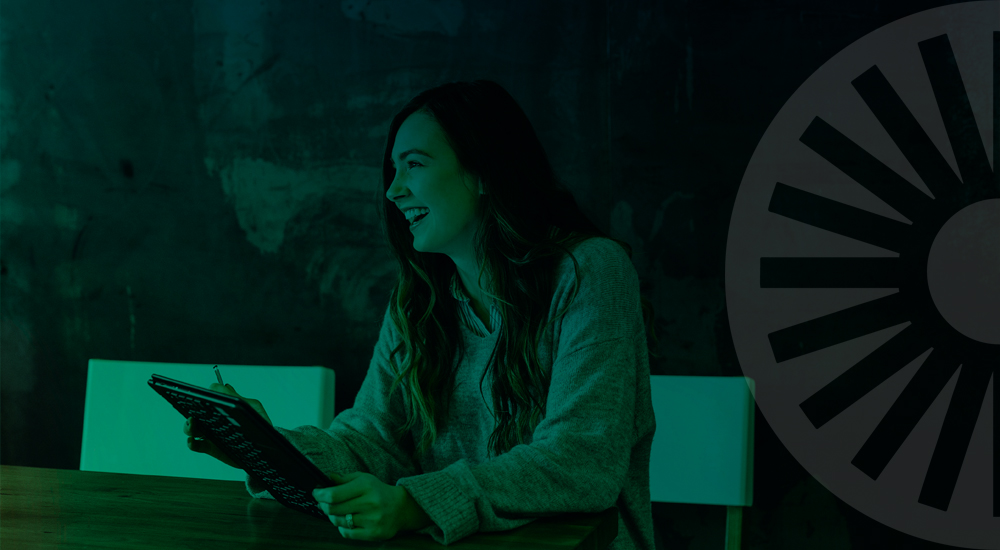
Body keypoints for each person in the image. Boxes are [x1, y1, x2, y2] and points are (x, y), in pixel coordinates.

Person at [184, 80, 661, 549]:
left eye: (413, 164)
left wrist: (416, 505)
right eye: (393, 169)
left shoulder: (591, 272)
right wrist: (265, 448)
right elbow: (372, 442)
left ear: (483, 173)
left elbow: (581, 461)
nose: (393, 191)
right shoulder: (417, 301)